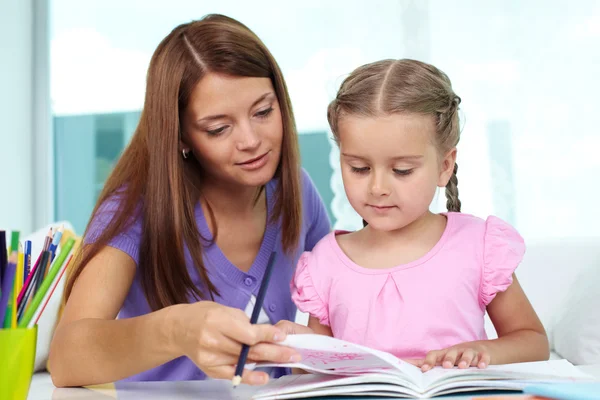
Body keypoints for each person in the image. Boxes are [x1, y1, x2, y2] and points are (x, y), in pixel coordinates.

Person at [48, 14, 331, 387]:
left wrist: (317, 351)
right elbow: (66, 358)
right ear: (181, 137)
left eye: (263, 111)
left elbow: (338, 318)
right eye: (218, 128)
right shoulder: (135, 207)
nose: (251, 139)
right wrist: (177, 330)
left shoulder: (297, 190)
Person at [291, 58, 549, 372]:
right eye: (359, 168)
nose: (377, 187)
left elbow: (533, 341)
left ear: (444, 165)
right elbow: (315, 372)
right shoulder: (326, 262)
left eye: (402, 170)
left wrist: (482, 351)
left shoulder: (478, 246)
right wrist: (297, 350)